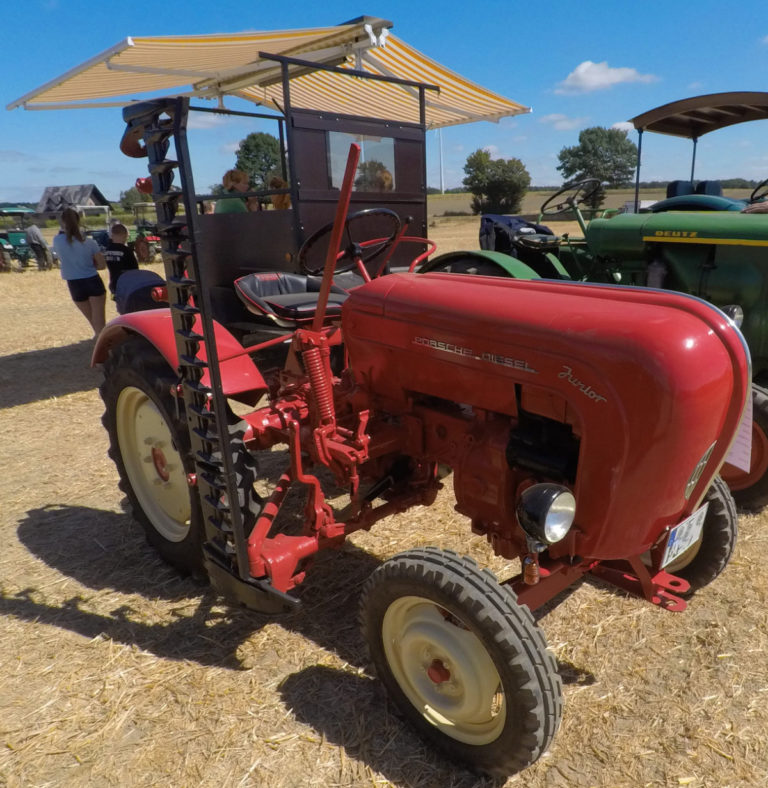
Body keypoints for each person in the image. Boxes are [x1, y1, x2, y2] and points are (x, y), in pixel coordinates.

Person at [52, 207, 107, 337]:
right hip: (92, 280)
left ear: (62, 222)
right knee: (100, 322)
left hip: (74, 284)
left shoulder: (57, 241)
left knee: (93, 322)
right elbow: (102, 265)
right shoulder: (90, 242)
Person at [103, 222, 139, 296]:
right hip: (128, 284)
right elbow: (135, 269)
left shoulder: (107, 250)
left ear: (112, 236)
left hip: (114, 283)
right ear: (125, 235)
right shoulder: (127, 250)